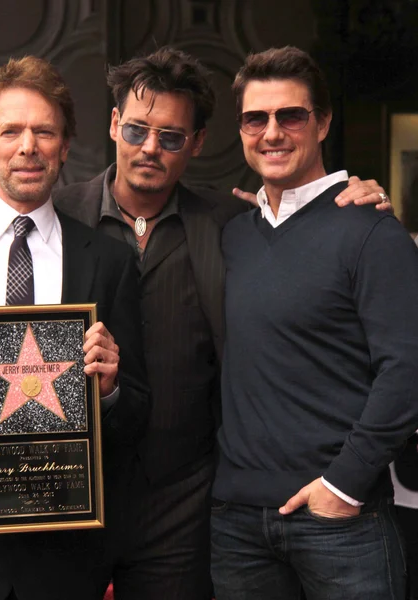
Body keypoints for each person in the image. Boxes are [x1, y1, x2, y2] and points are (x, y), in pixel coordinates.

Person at [0, 47, 389, 600]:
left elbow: (293, 218)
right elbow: (3, 208)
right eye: (135, 130)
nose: (150, 148)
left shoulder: (231, 225)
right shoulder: (59, 212)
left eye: (172, 137)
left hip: (182, 504)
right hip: (57, 499)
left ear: (197, 143)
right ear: (111, 126)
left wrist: (358, 196)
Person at [211, 45, 418, 600]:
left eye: (291, 115)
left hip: (340, 522)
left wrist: (344, 485)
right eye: (256, 118)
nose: (272, 132)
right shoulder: (231, 235)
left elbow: (408, 370)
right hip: (236, 524)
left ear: (322, 122)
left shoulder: (372, 232)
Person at [0, 56, 149, 600]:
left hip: (69, 557)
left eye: (44, 131)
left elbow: (139, 411)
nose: (28, 146)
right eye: (10, 131)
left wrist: (109, 390)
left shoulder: (110, 260)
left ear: (65, 143)